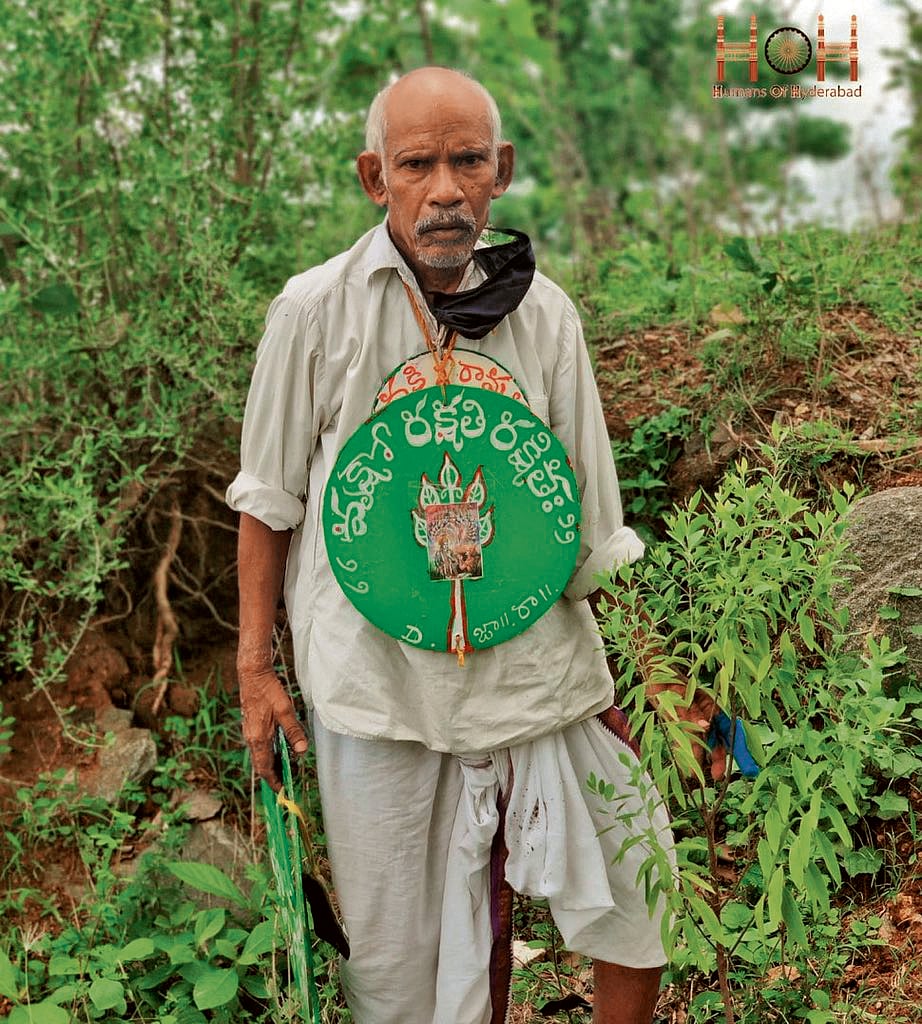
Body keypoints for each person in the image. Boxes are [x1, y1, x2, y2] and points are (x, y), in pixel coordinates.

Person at [227, 66, 721, 1024]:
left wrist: (656, 677)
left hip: (535, 670)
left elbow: (587, 514)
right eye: (418, 165)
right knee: (394, 969)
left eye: (466, 162)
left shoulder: (545, 316)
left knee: (637, 880)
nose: (444, 189)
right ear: (376, 178)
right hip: (375, 685)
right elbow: (267, 500)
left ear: (501, 170)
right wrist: (256, 671)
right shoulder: (314, 311)